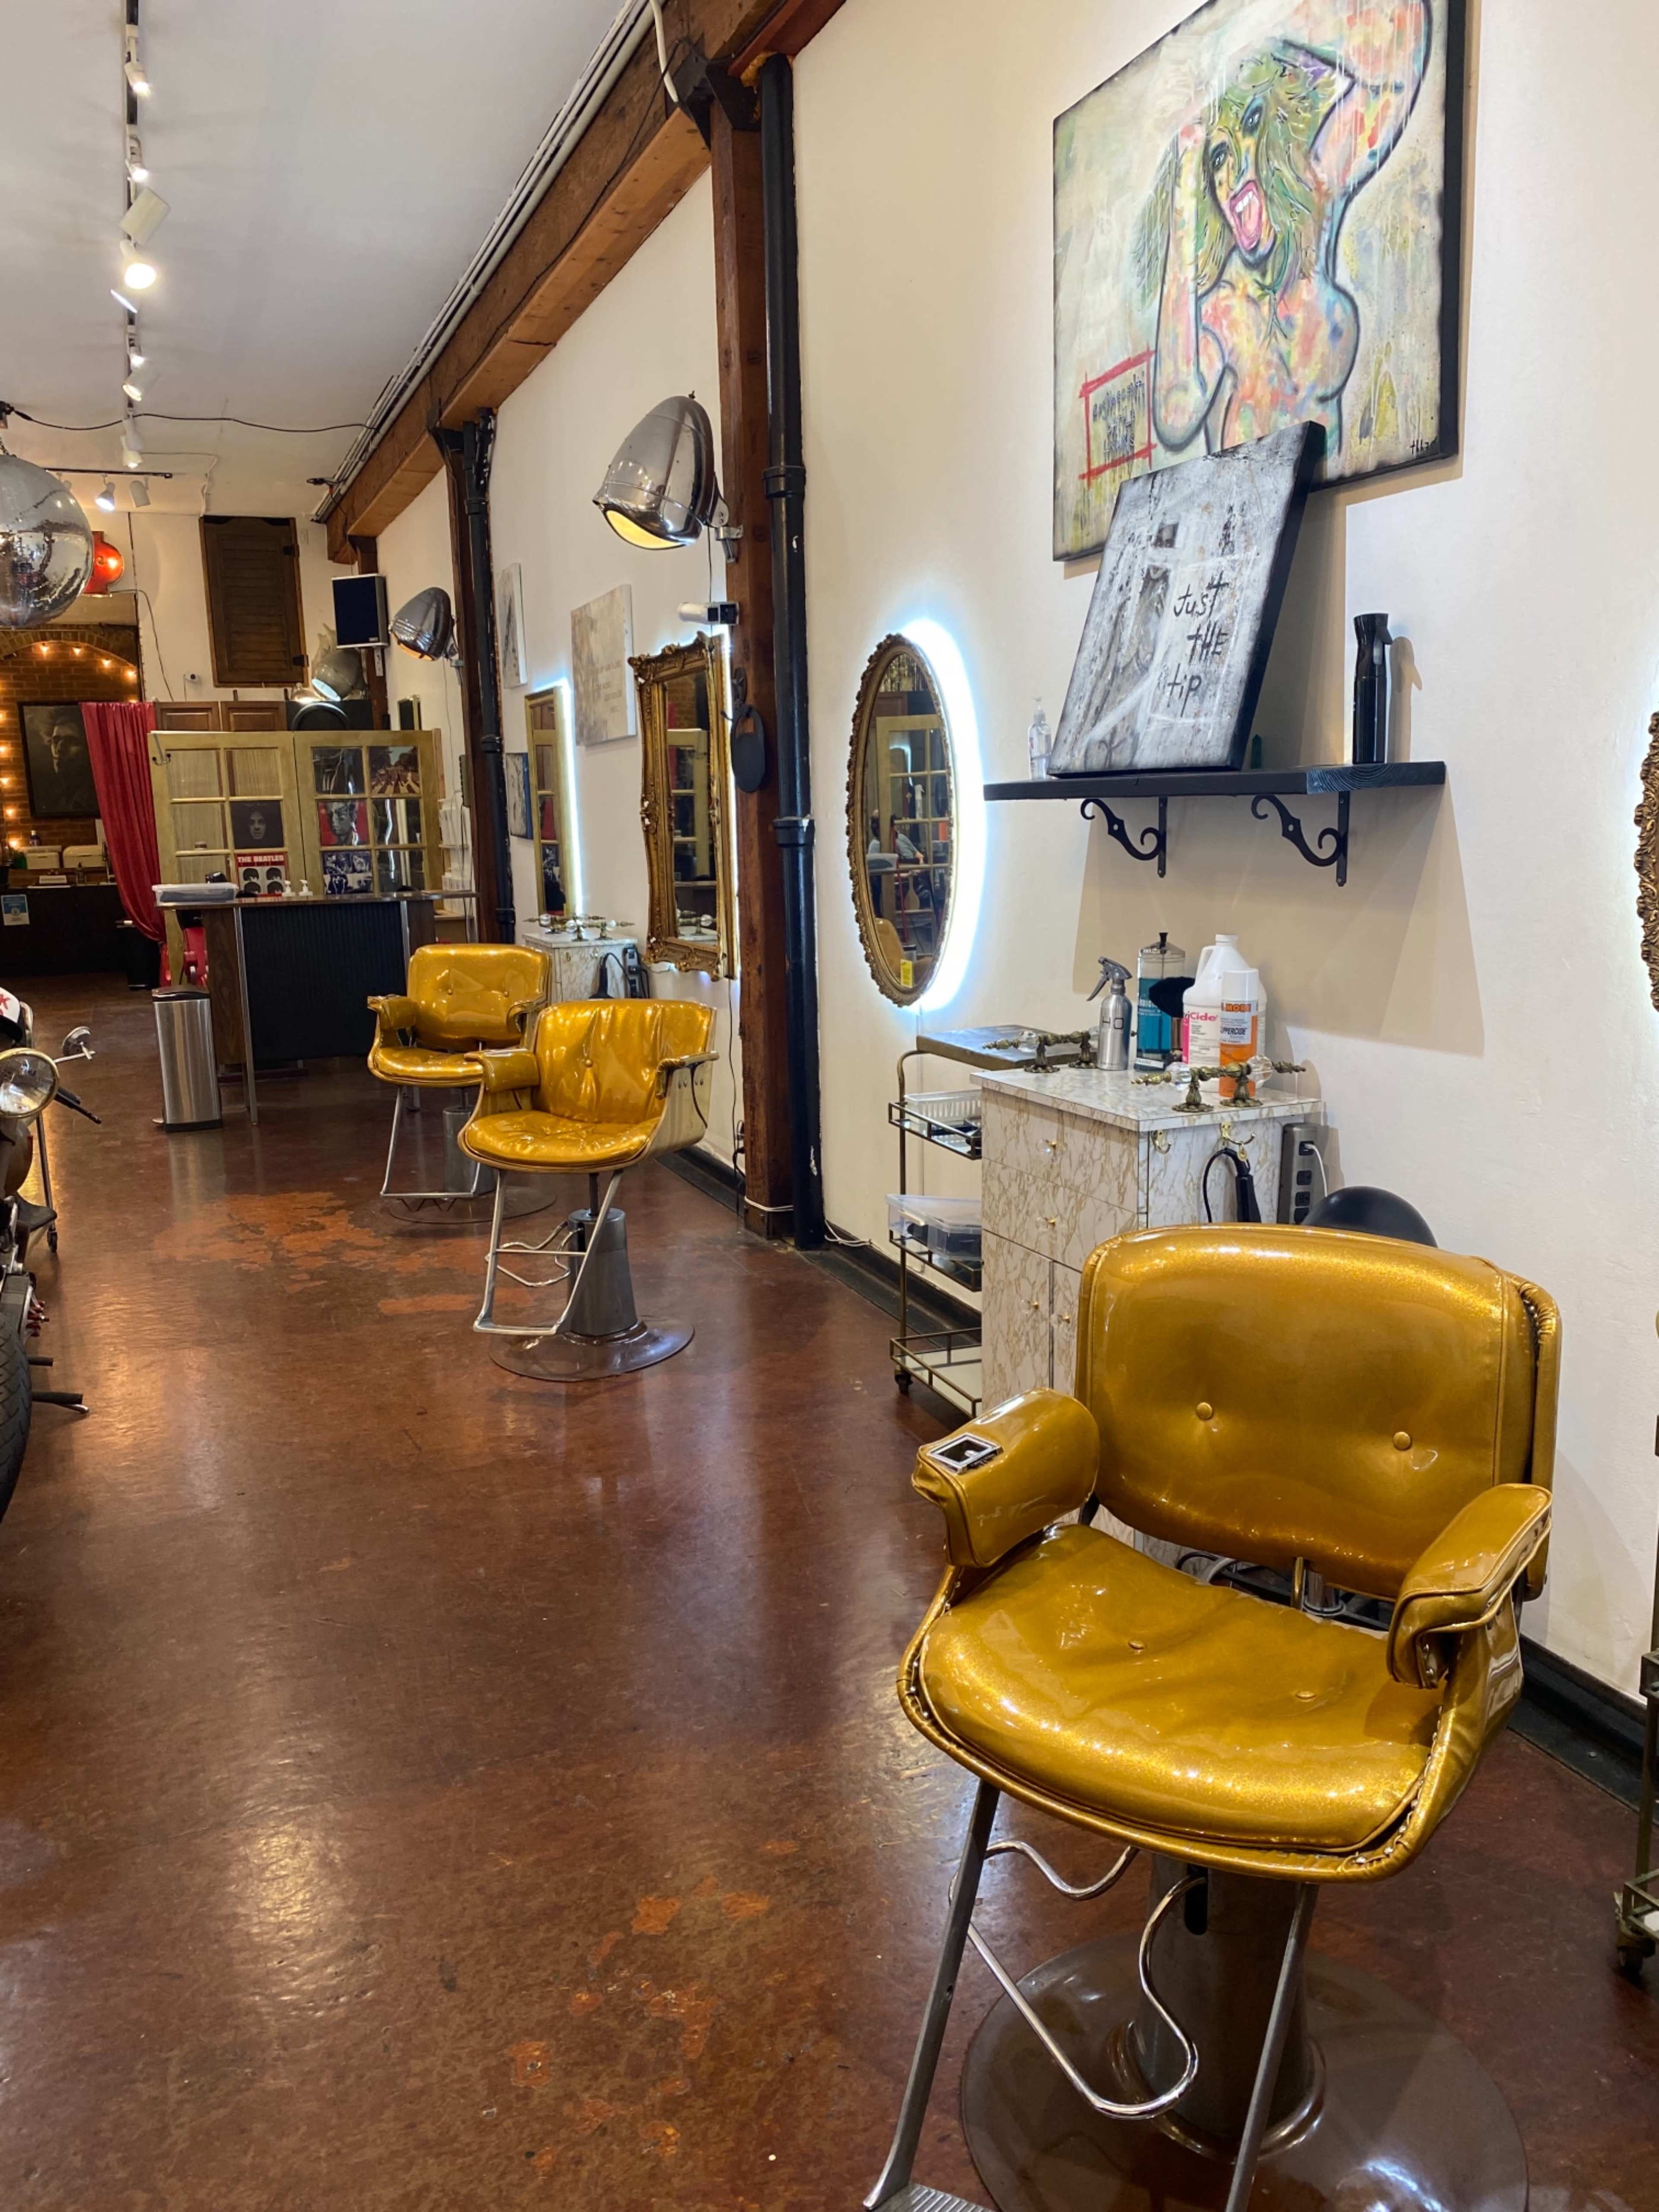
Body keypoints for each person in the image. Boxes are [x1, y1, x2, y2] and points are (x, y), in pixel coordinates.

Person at [1137, 0, 1428, 463]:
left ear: (1275, 129)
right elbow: (1176, 411)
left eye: (1251, 125)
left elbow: (1397, 58)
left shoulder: (1317, 205)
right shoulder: (1226, 309)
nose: (1232, 172)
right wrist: (1187, 168)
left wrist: (1266, 28)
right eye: (1218, 158)